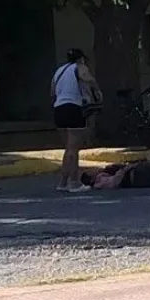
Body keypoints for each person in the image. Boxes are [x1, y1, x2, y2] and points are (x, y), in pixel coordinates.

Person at [51, 48, 101, 193]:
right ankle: (74, 182)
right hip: (73, 107)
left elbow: (52, 91)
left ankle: (63, 182)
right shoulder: (79, 67)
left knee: (67, 147)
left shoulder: (59, 71)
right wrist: (97, 90)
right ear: (81, 59)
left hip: (58, 109)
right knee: (74, 148)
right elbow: (88, 78)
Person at [80, 140, 150, 190]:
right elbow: (114, 182)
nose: (93, 169)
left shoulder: (104, 173)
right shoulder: (99, 181)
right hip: (140, 174)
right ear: (91, 178)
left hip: (141, 173)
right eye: (90, 171)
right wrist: (128, 168)